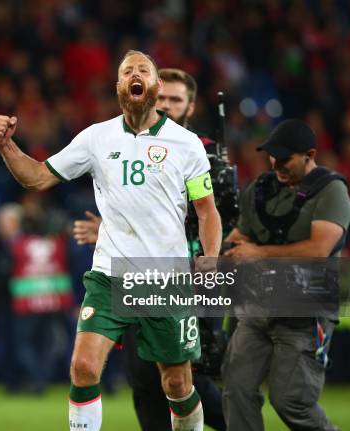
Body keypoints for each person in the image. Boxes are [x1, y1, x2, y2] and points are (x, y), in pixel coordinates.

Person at [0, 51, 222, 431]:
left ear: (156, 86)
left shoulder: (186, 145)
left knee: (177, 383)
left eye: (142, 71)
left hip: (166, 279)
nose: (134, 75)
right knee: (82, 367)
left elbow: (208, 212)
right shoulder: (97, 138)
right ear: (118, 87)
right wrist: (6, 146)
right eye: (126, 71)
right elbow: (36, 178)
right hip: (109, 274)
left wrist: (210, 259)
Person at [73, 68, 227, 431]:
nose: (169, 105)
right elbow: (136, 212)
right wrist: (110, 230)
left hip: (191, 278)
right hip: (136, 277)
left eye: (177, 99)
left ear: (191, 105)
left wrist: (213, 258)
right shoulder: (128, 144)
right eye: (164, 98)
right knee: (142, 377)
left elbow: (221, 216)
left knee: (189, 377)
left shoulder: (205, 154)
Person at [222, 119, 350, 431]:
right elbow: (240, 237)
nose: (276, 164)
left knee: (291, 400)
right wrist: (219, 254)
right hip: (258, 308)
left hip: (305, 314)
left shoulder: (331, 190)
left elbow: (319, 249)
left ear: (309, 154)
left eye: (285, 158)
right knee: (236, 388)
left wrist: (259, 252)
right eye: (272, 156)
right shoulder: (262, 189)